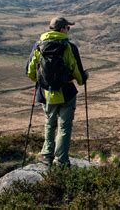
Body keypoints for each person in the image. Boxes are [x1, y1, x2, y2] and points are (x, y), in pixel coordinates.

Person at [26, 16, 86, 167]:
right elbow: (76, 69)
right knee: (65, 127)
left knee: (49, 124)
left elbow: (30, 70)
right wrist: (82, 80)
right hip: (66, 92)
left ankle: (47, 155)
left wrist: (40, 81)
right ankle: (61, 160)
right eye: (67, 28)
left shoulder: (39, 45)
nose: (68, 30)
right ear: (62, 29)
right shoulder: (69, 47)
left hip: (46, 93)